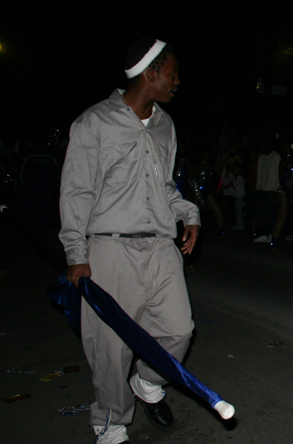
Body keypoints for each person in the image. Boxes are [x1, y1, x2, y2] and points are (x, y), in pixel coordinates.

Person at [59, 38, 200, 444]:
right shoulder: (94, 123)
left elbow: (165, 186)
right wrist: (76, 254)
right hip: (111, 246)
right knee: (110, 346)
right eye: (172, 72)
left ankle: (148, 380)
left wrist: (189, 213)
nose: (177, 80)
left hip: (160, 245)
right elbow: (76, 192)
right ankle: (111, 420)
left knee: (179, 330)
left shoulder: (166, 125)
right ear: (151, 72)